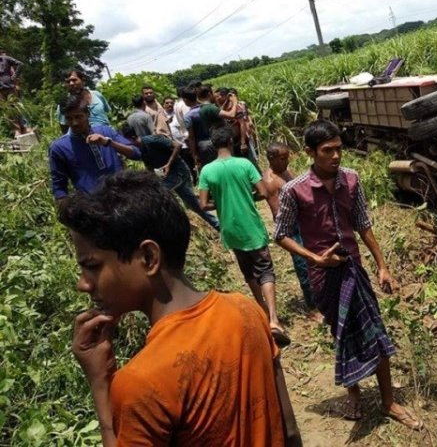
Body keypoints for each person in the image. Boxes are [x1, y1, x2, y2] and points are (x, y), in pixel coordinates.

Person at [61, 170, 296, 445]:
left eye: (92, 267)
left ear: (149, 257)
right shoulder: (246, 309)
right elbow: (289, 430)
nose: (83, 284)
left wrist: (101, 386)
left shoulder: (140, 383)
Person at [273, 119, 423, 430]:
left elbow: (363, 224)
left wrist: (382, 265)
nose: (336, 156)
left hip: (354, 268)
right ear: (311, 152)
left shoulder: (351, 180)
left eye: (339, 149)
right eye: (328, 151)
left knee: (376, 331)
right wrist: (313, 257)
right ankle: (353, 391)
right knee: (340, 333)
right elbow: (281, 234)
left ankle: (388, 401)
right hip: (323, 276)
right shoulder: (294, 190)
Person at [198, 126, 290, 347]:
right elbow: (264, 192)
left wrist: (221, 202)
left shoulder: (207, 171)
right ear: (230, 141)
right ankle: (274, 320)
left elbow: (203, 204)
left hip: (230, 230)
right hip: (251, 226)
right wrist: (247, 197)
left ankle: (262, 312)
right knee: (265, 270)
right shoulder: (245, 164)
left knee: (248, 270)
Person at [121, 123, 220, 231]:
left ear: (133, 138)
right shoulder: (141, 149)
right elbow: (149, 166)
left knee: (158, 194)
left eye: (127, 141)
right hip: (167, 176)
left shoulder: (152, 140)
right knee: (193, 203)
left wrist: (168, 164)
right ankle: (217, 224)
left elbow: (177, 146)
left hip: (178, 172)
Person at [264, 142, 321, 322]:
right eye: (283, 158)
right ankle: (312, 308)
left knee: (315, 260)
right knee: (303, 264)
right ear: (272, 159)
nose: (287, 161)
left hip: (302, 222)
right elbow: (278, 213)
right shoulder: (271, 180)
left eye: (287, 157)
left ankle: (319, 296)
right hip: (291, 227)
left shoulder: (284, 172)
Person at [49, 94, 140, 203]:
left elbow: (136, 154)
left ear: (87, 114)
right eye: (69, 118)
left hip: (125, 198)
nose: (74, 123)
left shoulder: (106, 131)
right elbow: (59, 188)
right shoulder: (59, 148)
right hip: (94, 208)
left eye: (78, 117)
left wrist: (108, 142)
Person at [55, 69, 112, 134]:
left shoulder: (97, 95)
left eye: (74, 80)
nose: (71, 83)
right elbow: (65, 129)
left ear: (83, 81)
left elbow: (107, 114)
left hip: (108, 136)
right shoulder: (64, 105)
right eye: (67, 82)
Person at [165, 94, 197, 184]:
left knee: (190, 164)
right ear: (163, 105)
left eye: (171, 103)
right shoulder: (163, 117)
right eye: (167, 103)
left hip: (184, 145)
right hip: (173, 147)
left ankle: (194, 180)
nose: (169, 104)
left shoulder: (178, 114)